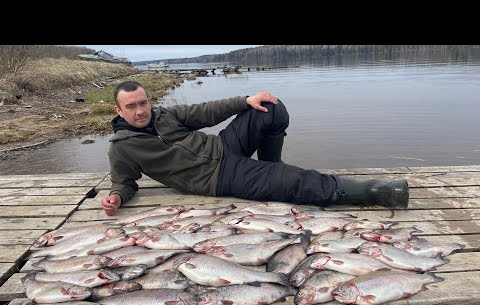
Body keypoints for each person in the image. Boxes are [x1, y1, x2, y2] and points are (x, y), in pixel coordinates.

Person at [101, 81, 409, 216]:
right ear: (119, 110)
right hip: (218, 177)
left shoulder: (164, 115)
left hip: (224, 146)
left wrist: (245, 100)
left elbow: (206, 111)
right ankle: (376, 192)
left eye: (143, 102)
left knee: (270, 107)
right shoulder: (122, 148)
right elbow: (124, 182)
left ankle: (271, 168)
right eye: (132, 106)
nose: (141, 110)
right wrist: (116, 197)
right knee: (294, 181)